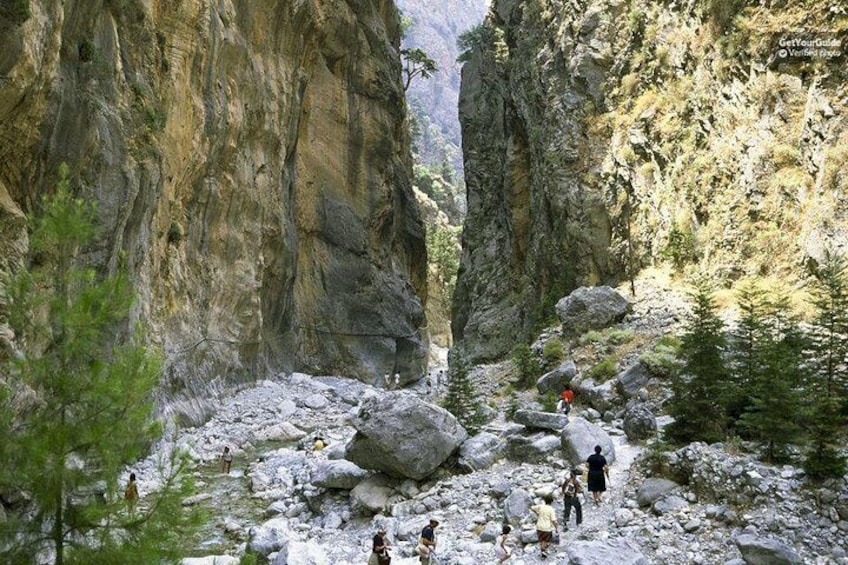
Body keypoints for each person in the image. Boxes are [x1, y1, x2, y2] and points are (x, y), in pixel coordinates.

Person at [530, 495, 558, 559]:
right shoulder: (551, 509)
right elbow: (554, 520)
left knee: (541, 540)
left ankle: (543, 551)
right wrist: (556, 527)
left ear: (545, 501)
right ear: (551, 502)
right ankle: (543, 551)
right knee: (547, 541)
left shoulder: (540, 506)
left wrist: (537, 513)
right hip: (547, 527)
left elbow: (532, 507)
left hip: (539, 527)